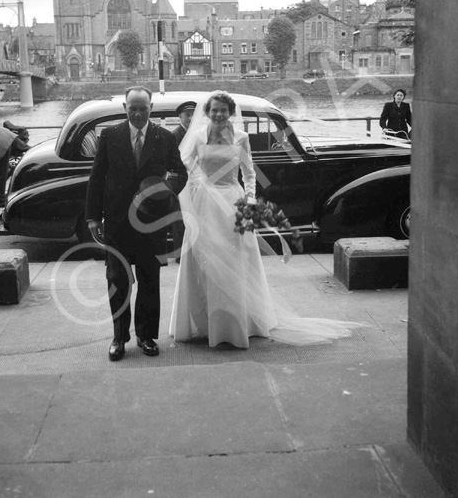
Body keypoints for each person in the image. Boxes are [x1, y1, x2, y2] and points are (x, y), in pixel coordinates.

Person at [170, 91, 361, 349]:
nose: (218, 114)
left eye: (223, 111)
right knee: (202, 261)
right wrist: (197, 190)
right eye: (214, 110)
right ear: (207, 112)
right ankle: (205, 323)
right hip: (205, 204)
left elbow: (249, 174)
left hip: (233, 202)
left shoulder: (241, 138)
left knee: (235, 258)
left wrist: (249, 198)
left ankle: (239, 323)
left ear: (230, 113)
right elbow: (188, 168)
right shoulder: (197, 138)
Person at [85, 86, 188, 361]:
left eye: (144, 108)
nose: (139, 113)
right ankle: (119, 337)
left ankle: (146, 336)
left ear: (151, 108)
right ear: (125, 108)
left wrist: (163, 192)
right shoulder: (109, 136)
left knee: (149, 280)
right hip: (117, 223)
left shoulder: (164, 138)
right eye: (133, 108)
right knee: (117, 281)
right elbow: (96, 178)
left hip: (151, 224)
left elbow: (179, 172)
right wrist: (93, 216)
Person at [171, 101, 196, 261]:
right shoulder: (175, 135)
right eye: (187, 114)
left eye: (193, 114)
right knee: (180, 217)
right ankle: (181, 254)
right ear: (180, 116)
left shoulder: (199, 133)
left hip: (196, 181)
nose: (190, 118)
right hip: (180, 181)